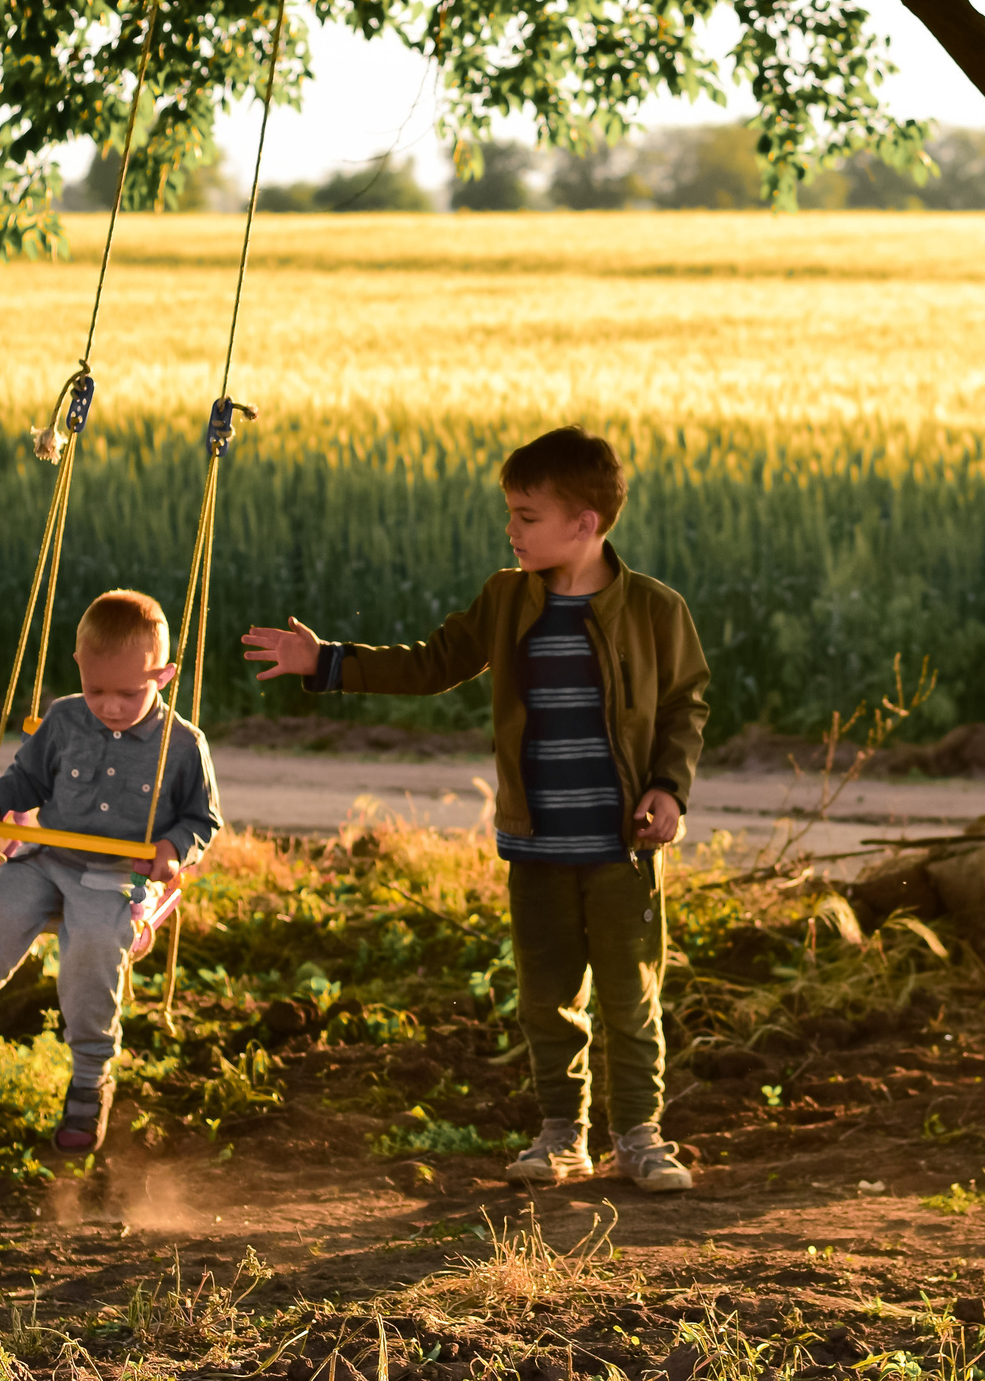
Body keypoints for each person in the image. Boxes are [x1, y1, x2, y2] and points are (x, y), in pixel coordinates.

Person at [241, 426, 709, 1192]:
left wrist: (670, 786)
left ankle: (641, 1137)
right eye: (511, 513)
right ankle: (563, 1135)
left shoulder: (656, 609)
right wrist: (325, 661)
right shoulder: (504, 599)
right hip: (537, 842)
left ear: (584, 522)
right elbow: (433, 664)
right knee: (547, 998)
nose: (511, 528)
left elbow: (687, 703)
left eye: (527, 515)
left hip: (623, 847)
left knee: (631, 995)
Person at [0, 589, 220, 1154]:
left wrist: (170, 848)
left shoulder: (182, 745)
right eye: (96, 690)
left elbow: (203, 820)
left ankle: (90, 1076)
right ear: (79, 669)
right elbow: (25, 782)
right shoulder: (64, 718)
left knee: (90, 948)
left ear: (164, 676)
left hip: (119, 876)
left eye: (128, 693)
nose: (109, 705)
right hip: (48, 859)